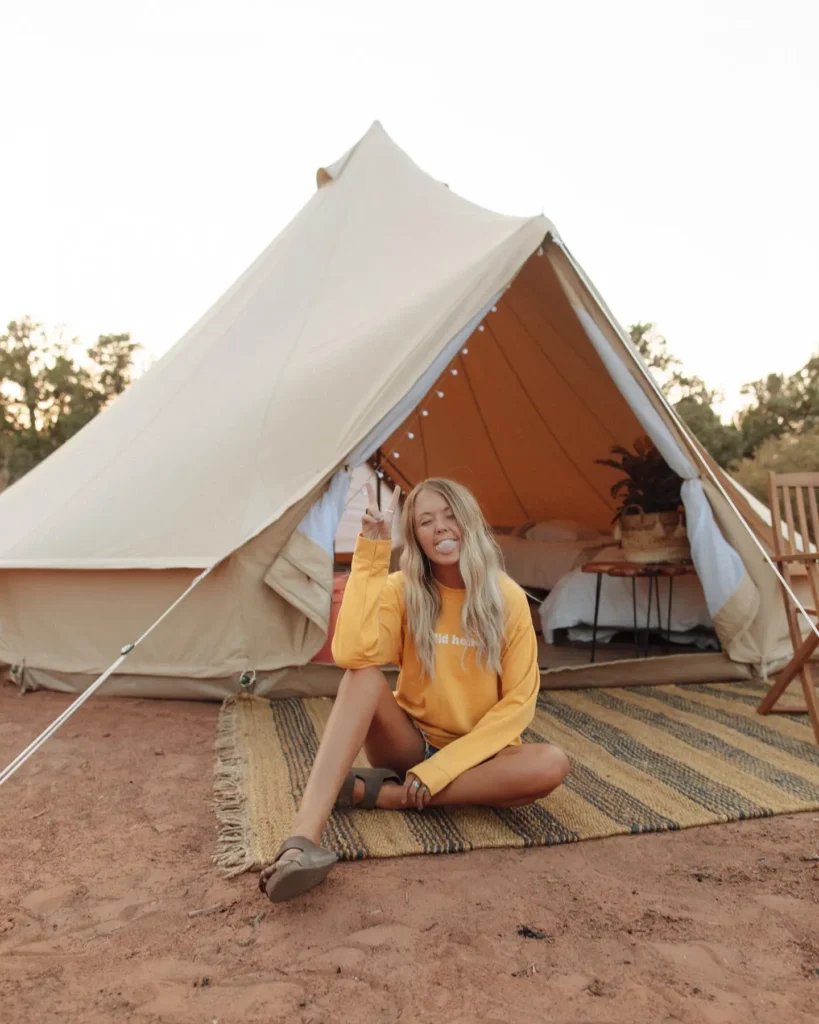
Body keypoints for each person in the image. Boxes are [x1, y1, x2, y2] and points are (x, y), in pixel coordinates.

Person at [260, 478, 570, 902]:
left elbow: (516, 707)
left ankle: (389, 796)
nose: (440, 528)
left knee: (551, 763)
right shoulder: (402, 589)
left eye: (449, 516)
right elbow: (352, 653)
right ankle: (300, 843)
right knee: (363, 677)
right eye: (426, 521)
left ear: (470, 523)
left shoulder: (508, 599)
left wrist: (441, 771)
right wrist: (371, 554)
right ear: (417, 538)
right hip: (410, 747)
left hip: (481, 759)